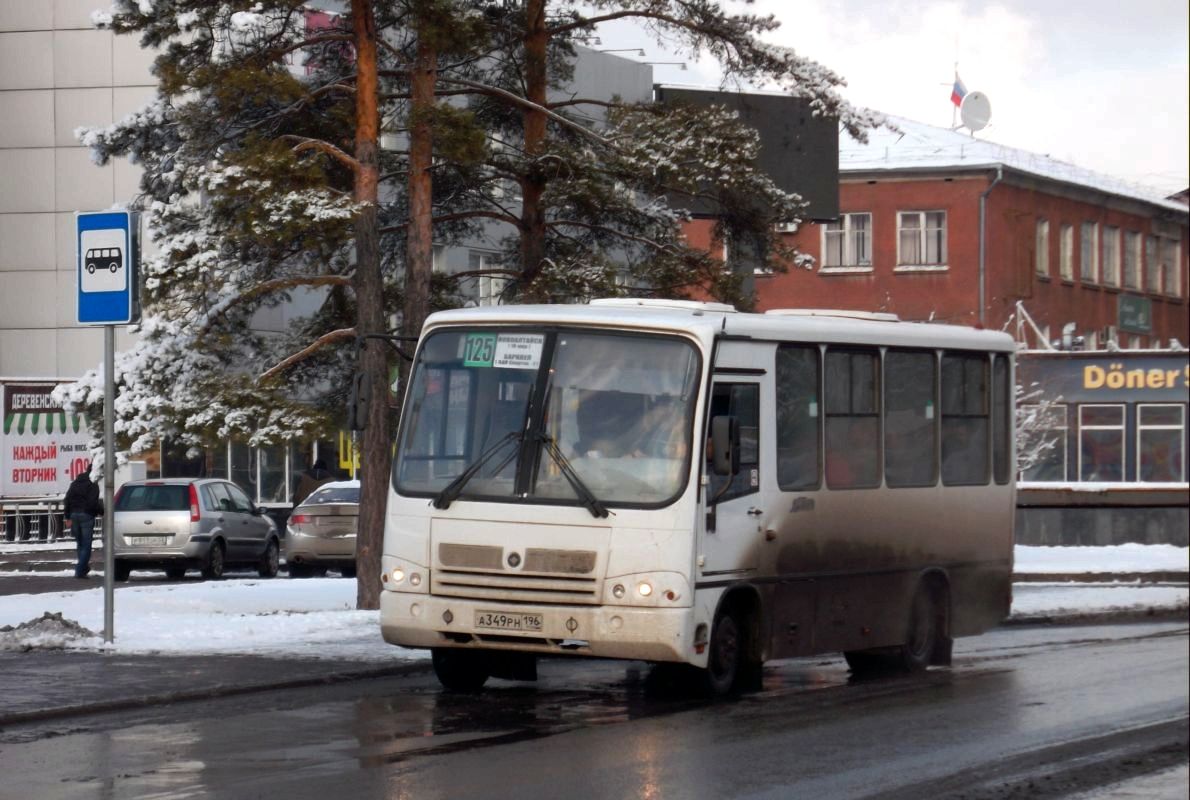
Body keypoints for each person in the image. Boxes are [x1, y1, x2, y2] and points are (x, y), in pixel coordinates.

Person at [63, 465, 102, 579]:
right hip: (86, 515)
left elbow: (67, 500)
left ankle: (83, 568)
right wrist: (101, 511)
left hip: (74, 515)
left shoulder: (74, 483)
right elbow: (92, 503)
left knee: (80, 543)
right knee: (86, 544)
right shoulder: (93, 484)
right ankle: (80, 570)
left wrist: (68, 517)